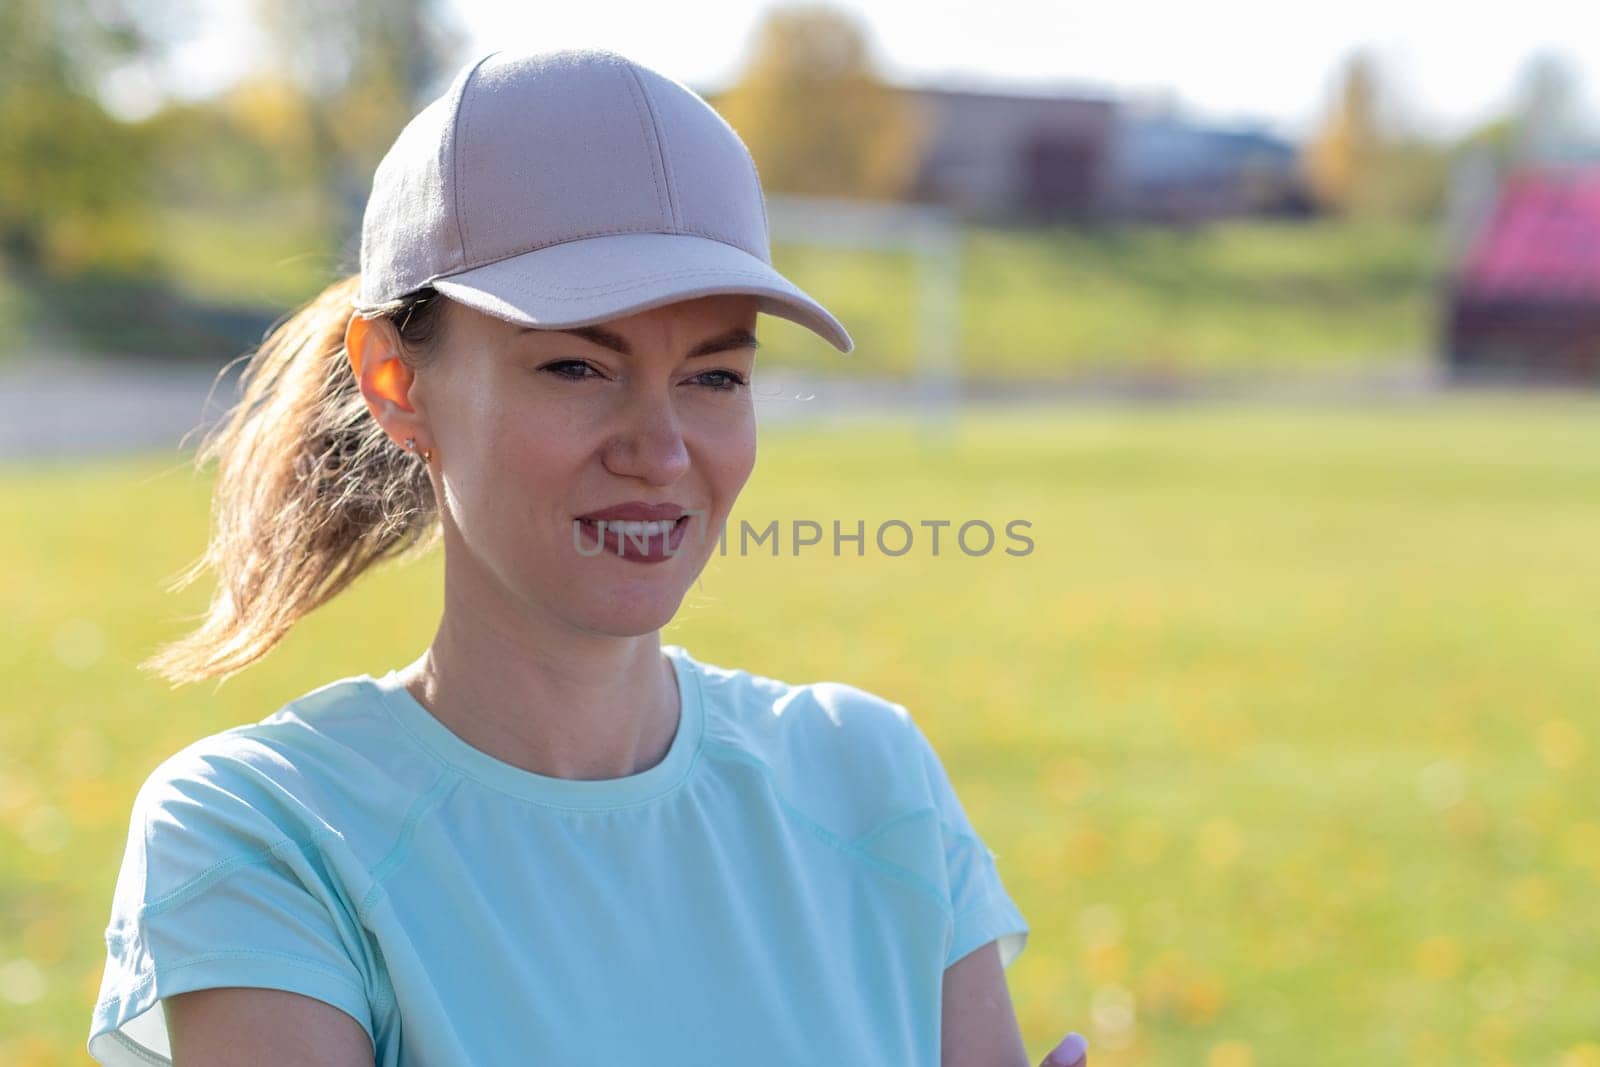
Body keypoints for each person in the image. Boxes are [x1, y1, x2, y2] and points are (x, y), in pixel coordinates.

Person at [85, 47, 1087, 1067]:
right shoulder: (268, 837)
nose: (660, 451)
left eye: (714, 377)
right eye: (576, 365)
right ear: (395, 380)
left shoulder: (869, 778)